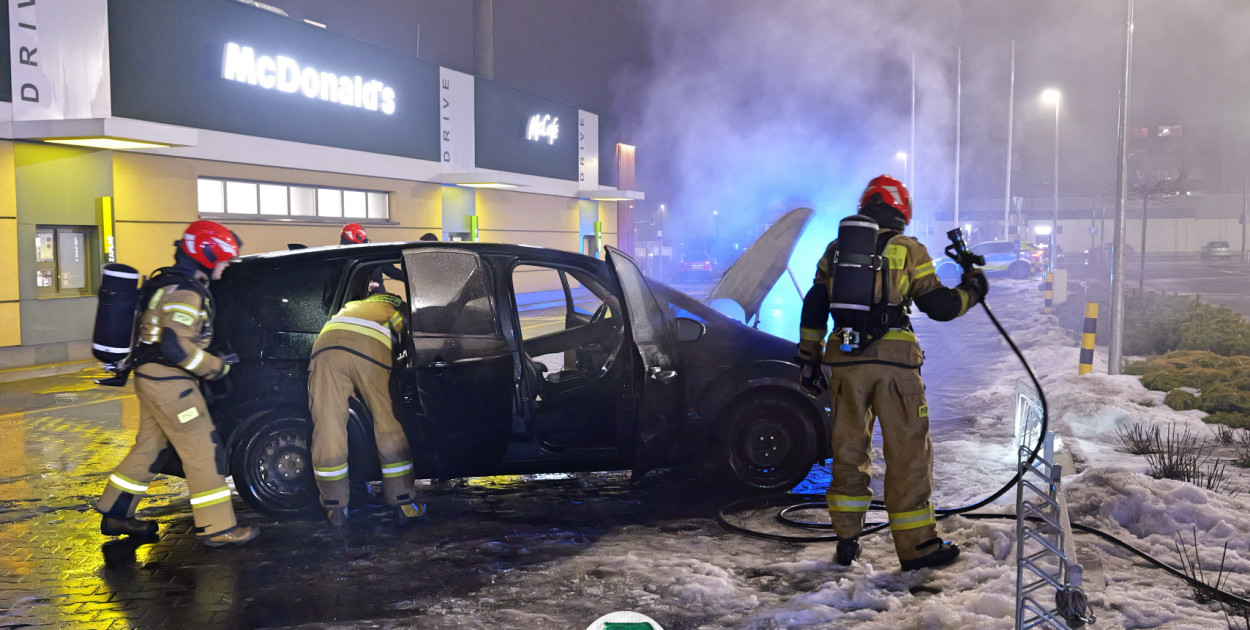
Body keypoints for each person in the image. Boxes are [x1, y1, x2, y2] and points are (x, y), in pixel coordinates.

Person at [797, 175, 988, 571]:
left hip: (845, 365)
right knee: (907, 455)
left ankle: (847, 541)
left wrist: (809, 357)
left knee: (848, 452)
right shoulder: (908, 248)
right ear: (902, 210)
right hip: (896, 367)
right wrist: (973, 289)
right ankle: (918, 548)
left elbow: (815, 303)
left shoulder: (835, 250)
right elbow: (939, 306)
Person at [95, 220, 260, 547]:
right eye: (223, 258)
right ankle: (218, 528)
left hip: (151, 377)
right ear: (206, 254)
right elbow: (175, 345)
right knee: (203, 451)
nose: (226, 265)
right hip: (171, 384)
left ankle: (116, 513)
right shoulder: (186, 293)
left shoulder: (170, 285)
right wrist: (216, 368)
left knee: (150, 448)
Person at [308, 285, 425, 526]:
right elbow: (411, 347)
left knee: (328, 428)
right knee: (388, 424)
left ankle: (335, 508)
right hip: (369, 352)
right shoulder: (396, 309)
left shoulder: (352, 306)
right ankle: (402, 502)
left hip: (324, 350)